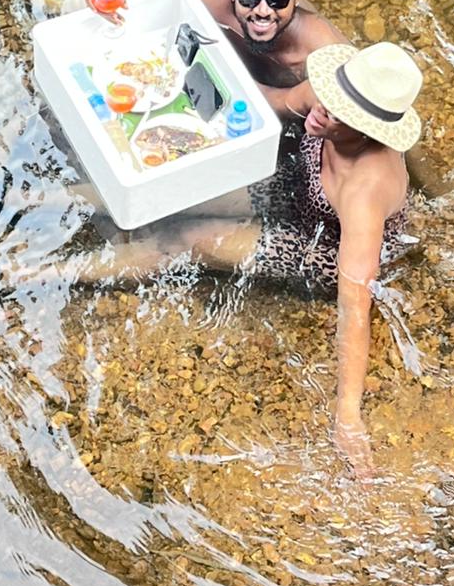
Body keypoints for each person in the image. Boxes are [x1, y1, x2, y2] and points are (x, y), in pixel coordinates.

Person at [45, 41, 424, 478]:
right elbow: (270, 100)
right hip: (299, 186)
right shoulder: (326, 101)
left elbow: (356, 304)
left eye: (340, 114)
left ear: (369, 130)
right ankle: (38, 197)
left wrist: (348, 414)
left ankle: (42, 272)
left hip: (323, 243)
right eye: (329, 98)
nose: (323, 110)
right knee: (181, 187)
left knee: (194, 239)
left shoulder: (366, 190)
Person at [89, 0, 347, 117]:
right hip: (238, 89)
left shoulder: (322, 47)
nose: (263, 11)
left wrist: (295, 99)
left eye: (278, 0)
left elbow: (364, 108)